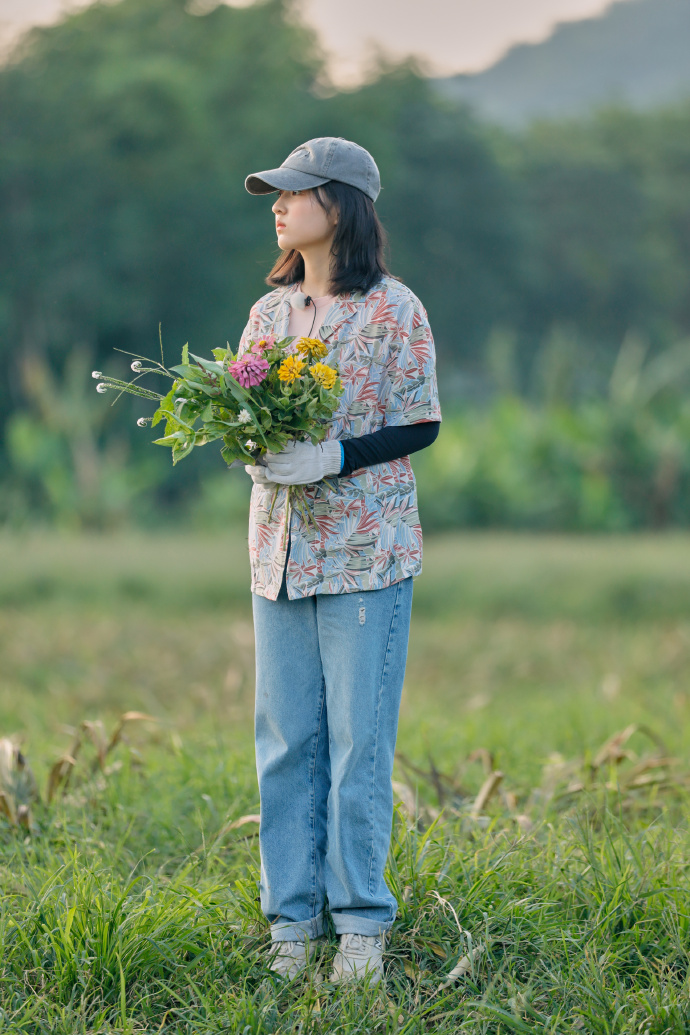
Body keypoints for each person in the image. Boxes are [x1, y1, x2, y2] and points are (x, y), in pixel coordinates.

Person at [240, 137, 441, 985]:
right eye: (276, 196)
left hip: (365, 549)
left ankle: (361, 924)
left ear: (343, 203)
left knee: (358, 742)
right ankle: (293, 923)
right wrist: (247, 446)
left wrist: (333, 458)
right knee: (285, 741)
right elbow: (244, 401)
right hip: (278, 552)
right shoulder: (269, 313)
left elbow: (421, 420)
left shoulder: (397, 309)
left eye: (295, 192)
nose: (279, 206)